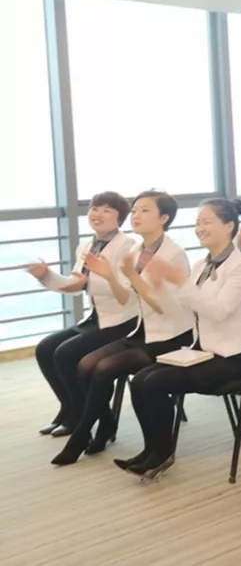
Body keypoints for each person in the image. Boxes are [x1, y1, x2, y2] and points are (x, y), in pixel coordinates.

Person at [51, 191, 196, 466]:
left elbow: (164, 307)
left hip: (170, 335)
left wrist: (131, 277)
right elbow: (124, 298)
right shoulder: (136, 251)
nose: (136, 215)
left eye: (145, 210)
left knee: (104, 368)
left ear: (164, 218)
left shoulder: (173, 254)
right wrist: (110, 276)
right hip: (142, 330)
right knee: (86, 364)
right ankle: (102, 427)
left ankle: (81, 436)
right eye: (135, 210)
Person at [117, 198, 241, 478]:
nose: (199, 228)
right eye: (197, 223)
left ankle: (162, 453)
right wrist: (161, 285)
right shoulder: (201, 263)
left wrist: (179, 281)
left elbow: (218, 312)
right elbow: (185, 307)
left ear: (229, 226)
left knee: (154, 383)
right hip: (201, 350)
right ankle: (150, 450)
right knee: (141, 379)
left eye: (207, 222)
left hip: (231, 357)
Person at [30, 191, 139, 437]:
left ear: (120, 218)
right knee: (45, 348)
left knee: (65, 353)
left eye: (107, 210)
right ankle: (69, 407)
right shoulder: (87, 245)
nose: (98, 214)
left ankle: (80, 416)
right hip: (96, 319)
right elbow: (76, 284)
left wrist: (98, 277)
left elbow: (127, 293)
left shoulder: (128, 246)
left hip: (124, 322)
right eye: (94, 208)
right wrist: (46, 276)